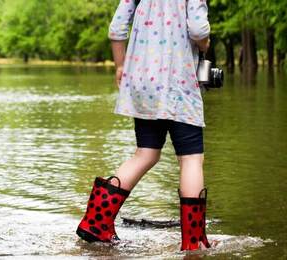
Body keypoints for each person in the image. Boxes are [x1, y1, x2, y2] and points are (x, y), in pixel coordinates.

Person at [76, 0, 212, 251]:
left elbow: (117, 28)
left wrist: (119, 65)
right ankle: (194, 242)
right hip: (178, 83)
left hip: (142, 82)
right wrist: (205, 44)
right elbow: (198, 30)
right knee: (191, 159)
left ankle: (95, 224)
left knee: (146, 153)